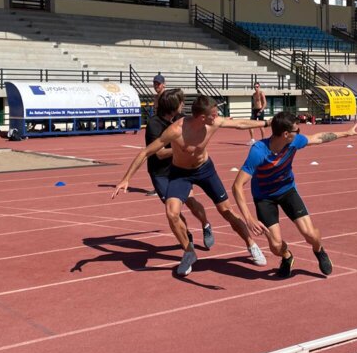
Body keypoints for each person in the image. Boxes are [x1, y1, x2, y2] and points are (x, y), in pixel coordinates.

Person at [113, 94, 269, 277]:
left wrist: (266, 124)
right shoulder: (175, 131)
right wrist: (126, 179)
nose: (217, 116)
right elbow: (146, 152)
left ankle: (251, 244)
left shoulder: (213, 123)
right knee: (172, 212)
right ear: (202, 117)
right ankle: (189, 252)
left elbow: (240, 124)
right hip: (181, 174)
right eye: (214, 114)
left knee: (226, 211)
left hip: (205, 170)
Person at [232, 113, 357, 278]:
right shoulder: (258, 151)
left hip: (287, 190)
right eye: (296, 129)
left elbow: (318, 137)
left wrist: (346, 133)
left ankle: (318, 250)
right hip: (264, 197)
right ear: (286, 134)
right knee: (275, 246)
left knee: (311, 235)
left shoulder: (294, 141)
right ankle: (287, 256)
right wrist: (249, 218)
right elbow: (237, 186)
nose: (299, 132)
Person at [146, 88, 214, 249]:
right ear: (173, 105)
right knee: (173, 211)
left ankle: (206, 225)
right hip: (160, 173)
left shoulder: (181, 119)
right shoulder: (154, 124)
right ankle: (187, 236)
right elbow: (160, 153)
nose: (183, 104)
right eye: (181, 102)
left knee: (190, 201)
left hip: (179, 169)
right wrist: (183, 148)